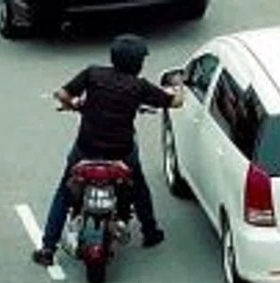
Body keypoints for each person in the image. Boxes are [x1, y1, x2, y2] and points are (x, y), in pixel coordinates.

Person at [33, 34, 185, 267]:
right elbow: (175, 102)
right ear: (138, 63)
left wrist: (74, 106)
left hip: (85, 150)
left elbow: (62, 94)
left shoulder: (93, 74)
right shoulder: (139, 86)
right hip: (121, 153)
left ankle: (47, 248)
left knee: (65, 192)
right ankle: (150, 231)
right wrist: (179, 85)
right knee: (139, 187)